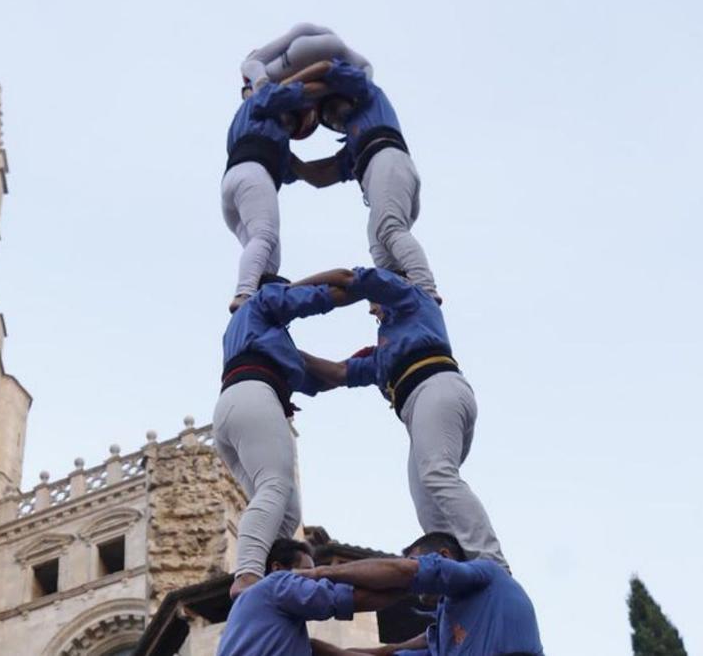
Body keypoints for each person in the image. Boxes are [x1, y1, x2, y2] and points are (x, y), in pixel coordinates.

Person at [297, 267, 507, 568]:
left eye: (373, 300)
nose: (370, 309)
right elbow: (337, 373)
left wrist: (288, 292)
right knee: (427, 504)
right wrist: (283, 347)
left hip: (436, 387)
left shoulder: (412, 299)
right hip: (420, 406)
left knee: (437, 474)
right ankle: (456, 570)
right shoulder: (384, 351)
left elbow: (345, 278)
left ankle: (491, 560)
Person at [216, 272, 355, 598]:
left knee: (286, 509)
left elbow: (329, 376)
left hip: (237, 407)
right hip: (253, 397)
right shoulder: (260, 305)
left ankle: (267, 567)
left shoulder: (269, 336)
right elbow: (324, 294)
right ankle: (247, 575)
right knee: (274, 486)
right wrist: (363, 284)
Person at [287, 60, 439, 301]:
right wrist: (287, 159)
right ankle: (397, 304)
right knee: (381, 248)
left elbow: (327, 68)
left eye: (331, 107)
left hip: (387, 159)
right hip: (380, 173)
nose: (332, 117)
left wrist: (284, 88)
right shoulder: (353, 147)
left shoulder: (370, 99)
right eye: (327, 118)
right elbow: (321, 177)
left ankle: (425, 290)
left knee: (389, 228)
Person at [305, 532, 544, 656]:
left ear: (444, 556)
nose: (411, 571)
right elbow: (386, 653)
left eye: (415, 560)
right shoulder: (441, 635)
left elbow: (405, 572)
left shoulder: (487, 575)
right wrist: (309, 646)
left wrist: (318, 574)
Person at [222, 78, 326, 311]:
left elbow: (309, 174)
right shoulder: (261, 104)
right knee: (265, 235)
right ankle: (245, 294)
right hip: (253, 175)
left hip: (234, 185)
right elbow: (254, 67)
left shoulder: (273, 137)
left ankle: (258, 299)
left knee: (269, 258)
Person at [218, 538, 402, 656]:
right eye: (307, 572)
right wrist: (413, 579)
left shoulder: (260, 617)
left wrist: (395, 649)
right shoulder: (277, 583)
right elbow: (351, 598)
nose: (314, 579)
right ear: (277, 568)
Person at [241, 23, 374, 94]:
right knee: (362, 69)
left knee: (249, 65)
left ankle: (261, 84)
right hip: (334, 43)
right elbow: (366, 67)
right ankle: (363, 87)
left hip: (300, 50)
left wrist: (259, 86)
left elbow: (251, 63)